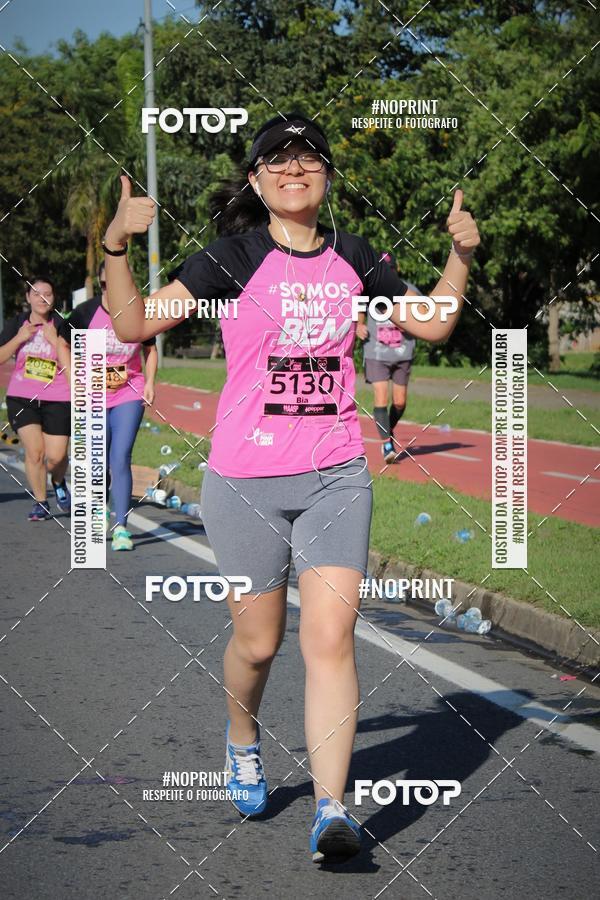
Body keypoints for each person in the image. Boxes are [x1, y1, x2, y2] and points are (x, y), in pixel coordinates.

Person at [100, 112, 480, 860]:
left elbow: (433, 324)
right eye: (277, 158)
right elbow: (134, 321)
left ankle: (333, 811)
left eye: (308, 157)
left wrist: (460, 256)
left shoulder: (355, 257)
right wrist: (116, 244)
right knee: (258, 641)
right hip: (244, 480)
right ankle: (243, 736)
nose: (293, 167)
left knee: (331, 636)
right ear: (256, 179)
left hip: (336, 475)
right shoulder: (229, 259)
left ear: (327, 176)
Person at [59, 262, 158, 550]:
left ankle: (122, 528)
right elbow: (61, 343)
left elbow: (150, 349)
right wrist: (72, 377)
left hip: (129, 390)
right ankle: (100, 509)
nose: (109, 290)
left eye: (115, 285)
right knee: (98, 459)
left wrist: (150, 382)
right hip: (92, 397)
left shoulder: (138, 311)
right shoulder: (86, 313)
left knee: (121, 456)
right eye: (104, 285)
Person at [0, 276, 72, 521]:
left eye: (48, 294)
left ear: (54, 298)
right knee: (35, 453)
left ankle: (59, 481)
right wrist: (20, 338)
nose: (42, 298)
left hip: (59, 398)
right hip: (22, 397)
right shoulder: (17, 324)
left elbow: (74, 364)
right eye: (37, 293)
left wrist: (55, 342)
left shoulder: (63, 325)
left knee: (57, 456)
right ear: (28, 298)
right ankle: (41, 502)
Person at [357, 254, 417, 462]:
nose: (387, 273)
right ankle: (387, 445)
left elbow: (425, 313)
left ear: (396, 269)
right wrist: (359, 325)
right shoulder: (369, 289)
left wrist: (410, 322)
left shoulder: (410, 290)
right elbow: (359, 305)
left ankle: (387, 429)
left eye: (390, 269)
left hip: (403, 352)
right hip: (376, 353)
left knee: (399, 402)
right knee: (381, 397)